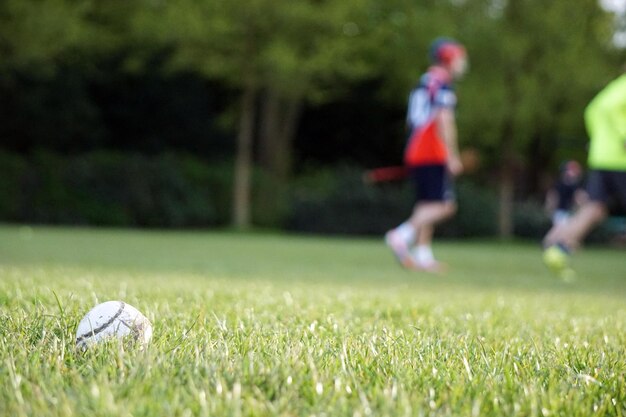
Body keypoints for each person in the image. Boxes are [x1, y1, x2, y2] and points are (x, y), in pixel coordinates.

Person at [385, 37, 468, 272]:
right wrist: (452, 154)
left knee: (426, 205)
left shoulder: (424, 82)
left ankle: (423, 254)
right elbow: (444, 119)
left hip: (416, 150)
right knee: (445, 206)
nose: (462, 63)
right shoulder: (442, 84)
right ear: (448, 58)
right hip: (432, 150)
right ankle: (401, 235)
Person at [543, 71, 626, 279]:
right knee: (593, 208)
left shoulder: (615, 86)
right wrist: (622, 136)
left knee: (594, 208)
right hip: (619, 160)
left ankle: (556, 248)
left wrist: (600, 138)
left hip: (602, 157)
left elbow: (592, 110)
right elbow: (609, 109)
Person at [544, 160, 586, 226]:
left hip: (568, 212)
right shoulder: (559, 184)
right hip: (560, 212)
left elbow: (579, 199)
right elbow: (552, 197)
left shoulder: (576, 186)